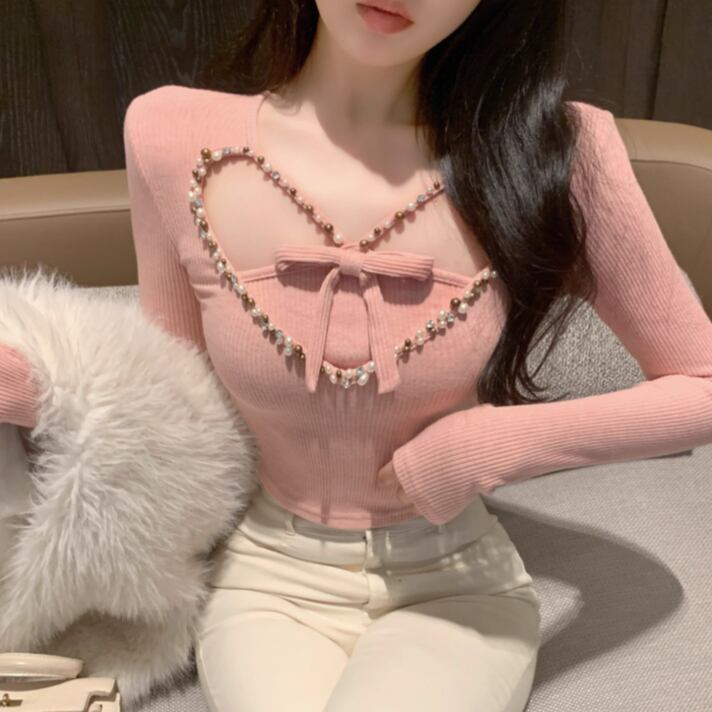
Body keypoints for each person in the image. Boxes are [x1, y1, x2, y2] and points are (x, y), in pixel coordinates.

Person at [4, 0, 712, 710]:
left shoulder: (556, 156)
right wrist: (53, 392)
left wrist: (489, 446)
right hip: (267, 579)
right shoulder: (173, 136)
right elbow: (173, 391)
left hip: (454, 583)